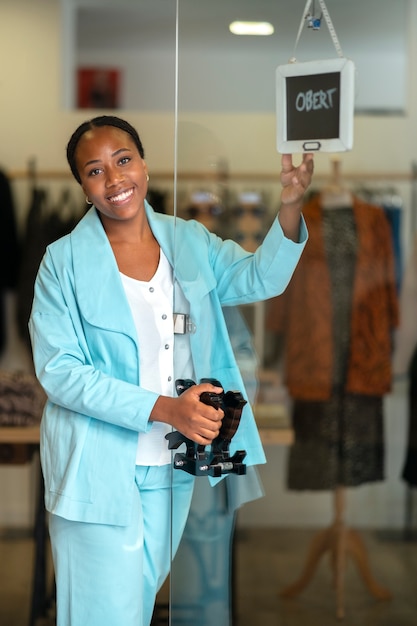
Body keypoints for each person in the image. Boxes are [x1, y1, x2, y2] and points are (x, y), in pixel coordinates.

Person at [29, 115, 314, 626]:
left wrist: (289, 207)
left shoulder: (189, 241)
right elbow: (61, 372)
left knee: (135, 610)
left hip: (172, 466)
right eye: (95, 171)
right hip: (96, 468)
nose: (115, 179)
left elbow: (258, 279)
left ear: (142, 162)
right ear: (82, 187)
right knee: (102, 616)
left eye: (123, 160)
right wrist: (165, 409)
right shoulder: (63, 262)